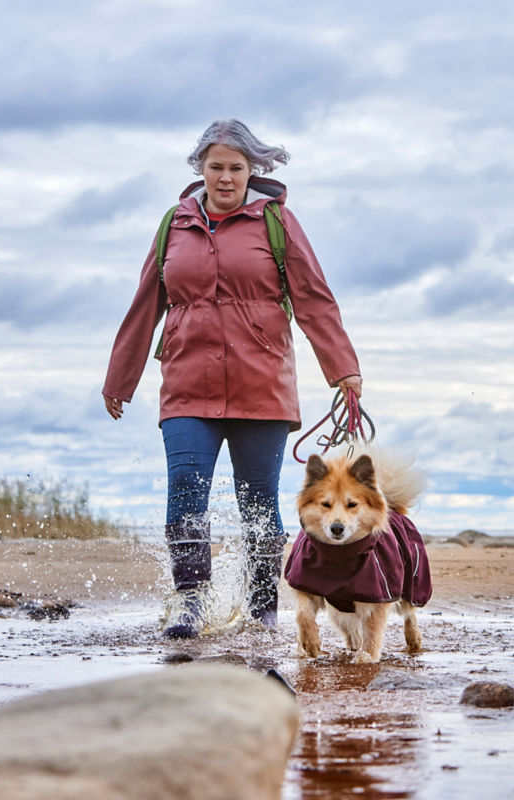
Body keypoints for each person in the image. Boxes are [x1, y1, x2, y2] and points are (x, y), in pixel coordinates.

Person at [103, 119, 361, 638]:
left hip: (261, 384)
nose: (225, 178)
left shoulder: (277, 222)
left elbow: (313, 298)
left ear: (252, 170)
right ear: (200, 168)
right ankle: (191, 598)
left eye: (236, 168)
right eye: (216, 166)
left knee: (259, 503)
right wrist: (120, 379)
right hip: (186, 384)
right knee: (185, 492)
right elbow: (144, 305)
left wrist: (343, 370)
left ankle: (262, 605)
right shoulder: (173, 224)